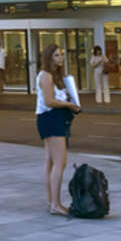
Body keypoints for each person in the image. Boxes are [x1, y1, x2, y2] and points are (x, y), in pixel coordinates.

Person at [36, 43, 81, 216]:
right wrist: (69, 104)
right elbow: (49, 101)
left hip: (51, 118)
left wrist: (67, 100)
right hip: (51, 118)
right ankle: (55, 204)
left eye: (60, 54)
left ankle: (52, 203)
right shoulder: (46, 75)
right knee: (59, 163)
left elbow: (53, 99)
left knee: (50, 161)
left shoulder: (53, 76)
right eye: (56, 55)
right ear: (48, 58)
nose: (60, 58)